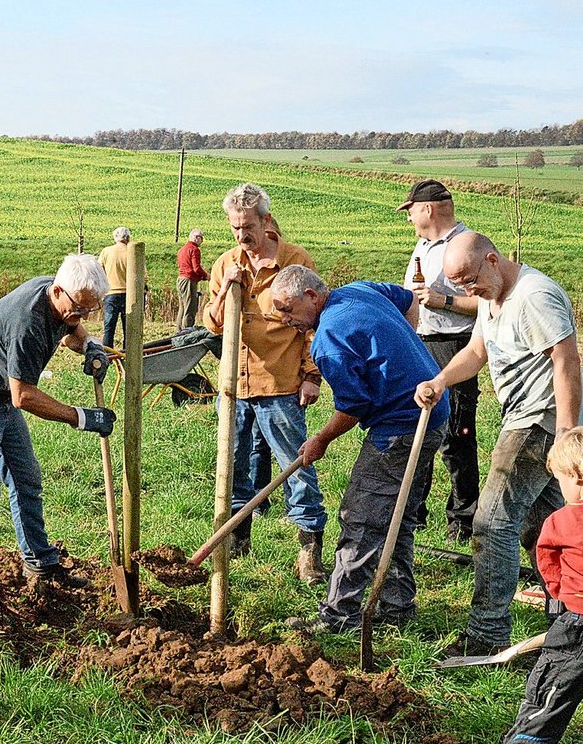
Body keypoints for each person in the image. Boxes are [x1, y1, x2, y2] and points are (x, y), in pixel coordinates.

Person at [416, 231, 581, 657]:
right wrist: (440, 380)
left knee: (491, 524)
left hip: (539, 420)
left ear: (492, 259)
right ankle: (569, 622)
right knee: (544, 527)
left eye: (470, 280)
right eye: (460, 286)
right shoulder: (492, 298)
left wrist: (565, 432)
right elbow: (476, 351)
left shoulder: (534, 296)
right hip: (523, 417)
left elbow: (566, 359)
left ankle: (487, 634)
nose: (468, 291)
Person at [271, 266, 449, 633]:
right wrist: (403, 350)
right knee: (395, 516)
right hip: (433, 414)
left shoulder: (329, 339)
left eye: (287, 310)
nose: (285, 319)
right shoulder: (361, 289)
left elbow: (353, 405)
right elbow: (409, 300)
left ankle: (340, 615)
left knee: (362, 516)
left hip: (402, 427)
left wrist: (320, 439)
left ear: (312, 296)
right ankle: (397, 606)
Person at [0, 253, 116, 588]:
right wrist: (81, 417)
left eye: (90, 310)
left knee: (27, 480)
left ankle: (40, 564)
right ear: (58, 291)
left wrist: (89, 345)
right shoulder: (27, 321)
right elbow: (23, 396)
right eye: (80, 308)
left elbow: (71, 329)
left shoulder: (61, 296)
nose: (83, 315)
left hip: (2, 394)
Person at [203, 183, 329, 584]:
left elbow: (312, 324)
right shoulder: (226, 264)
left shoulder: (295, 261)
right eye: (235, 228)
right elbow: (211, 323)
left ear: (266, 221)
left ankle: (309, 551)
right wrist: (226, 289)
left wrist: (311, 375)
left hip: (279, 383)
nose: (243, 236)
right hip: (233, 385)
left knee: (297, 466)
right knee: (234, 465)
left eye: (249, 226)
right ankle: (239, 542)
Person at [398, 180, 480, 544]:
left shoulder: (467, 246)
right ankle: (413, 514)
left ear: (428, 209)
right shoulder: (422, 246)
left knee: (456, 434)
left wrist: (443, 301)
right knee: (422, 427)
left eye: (412, 209)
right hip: (421, 343)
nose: (410, 217)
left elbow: (486, 303)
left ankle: (463, 520)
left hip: (456, 344)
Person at [503, 427, 583, 743]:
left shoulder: (560, 522)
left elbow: (548, 566)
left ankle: (527, 739)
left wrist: (562, 598)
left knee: (549, 691)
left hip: (576, 626)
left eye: (560, 478)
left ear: (576, 479)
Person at [97, 227, 146, 349]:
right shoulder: (133, 252)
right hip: (129, 295)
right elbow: (144, 276)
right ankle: (128, 352)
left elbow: (98, 271)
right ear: (128, 238)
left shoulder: (106, 252)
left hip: (110, 294)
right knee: (128, 328)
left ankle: (107, 351)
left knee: (109, 327)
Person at [176, 228, 208, 330]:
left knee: (182, 307)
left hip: (180, 279)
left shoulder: (182, 249)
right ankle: (187, 330)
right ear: (196, 238)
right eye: (201, 238)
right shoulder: (194, 250)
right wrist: (206, 276)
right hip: (189, 280)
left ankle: (179, 330)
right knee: (190, 308)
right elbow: (196, 268)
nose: (202, 241)